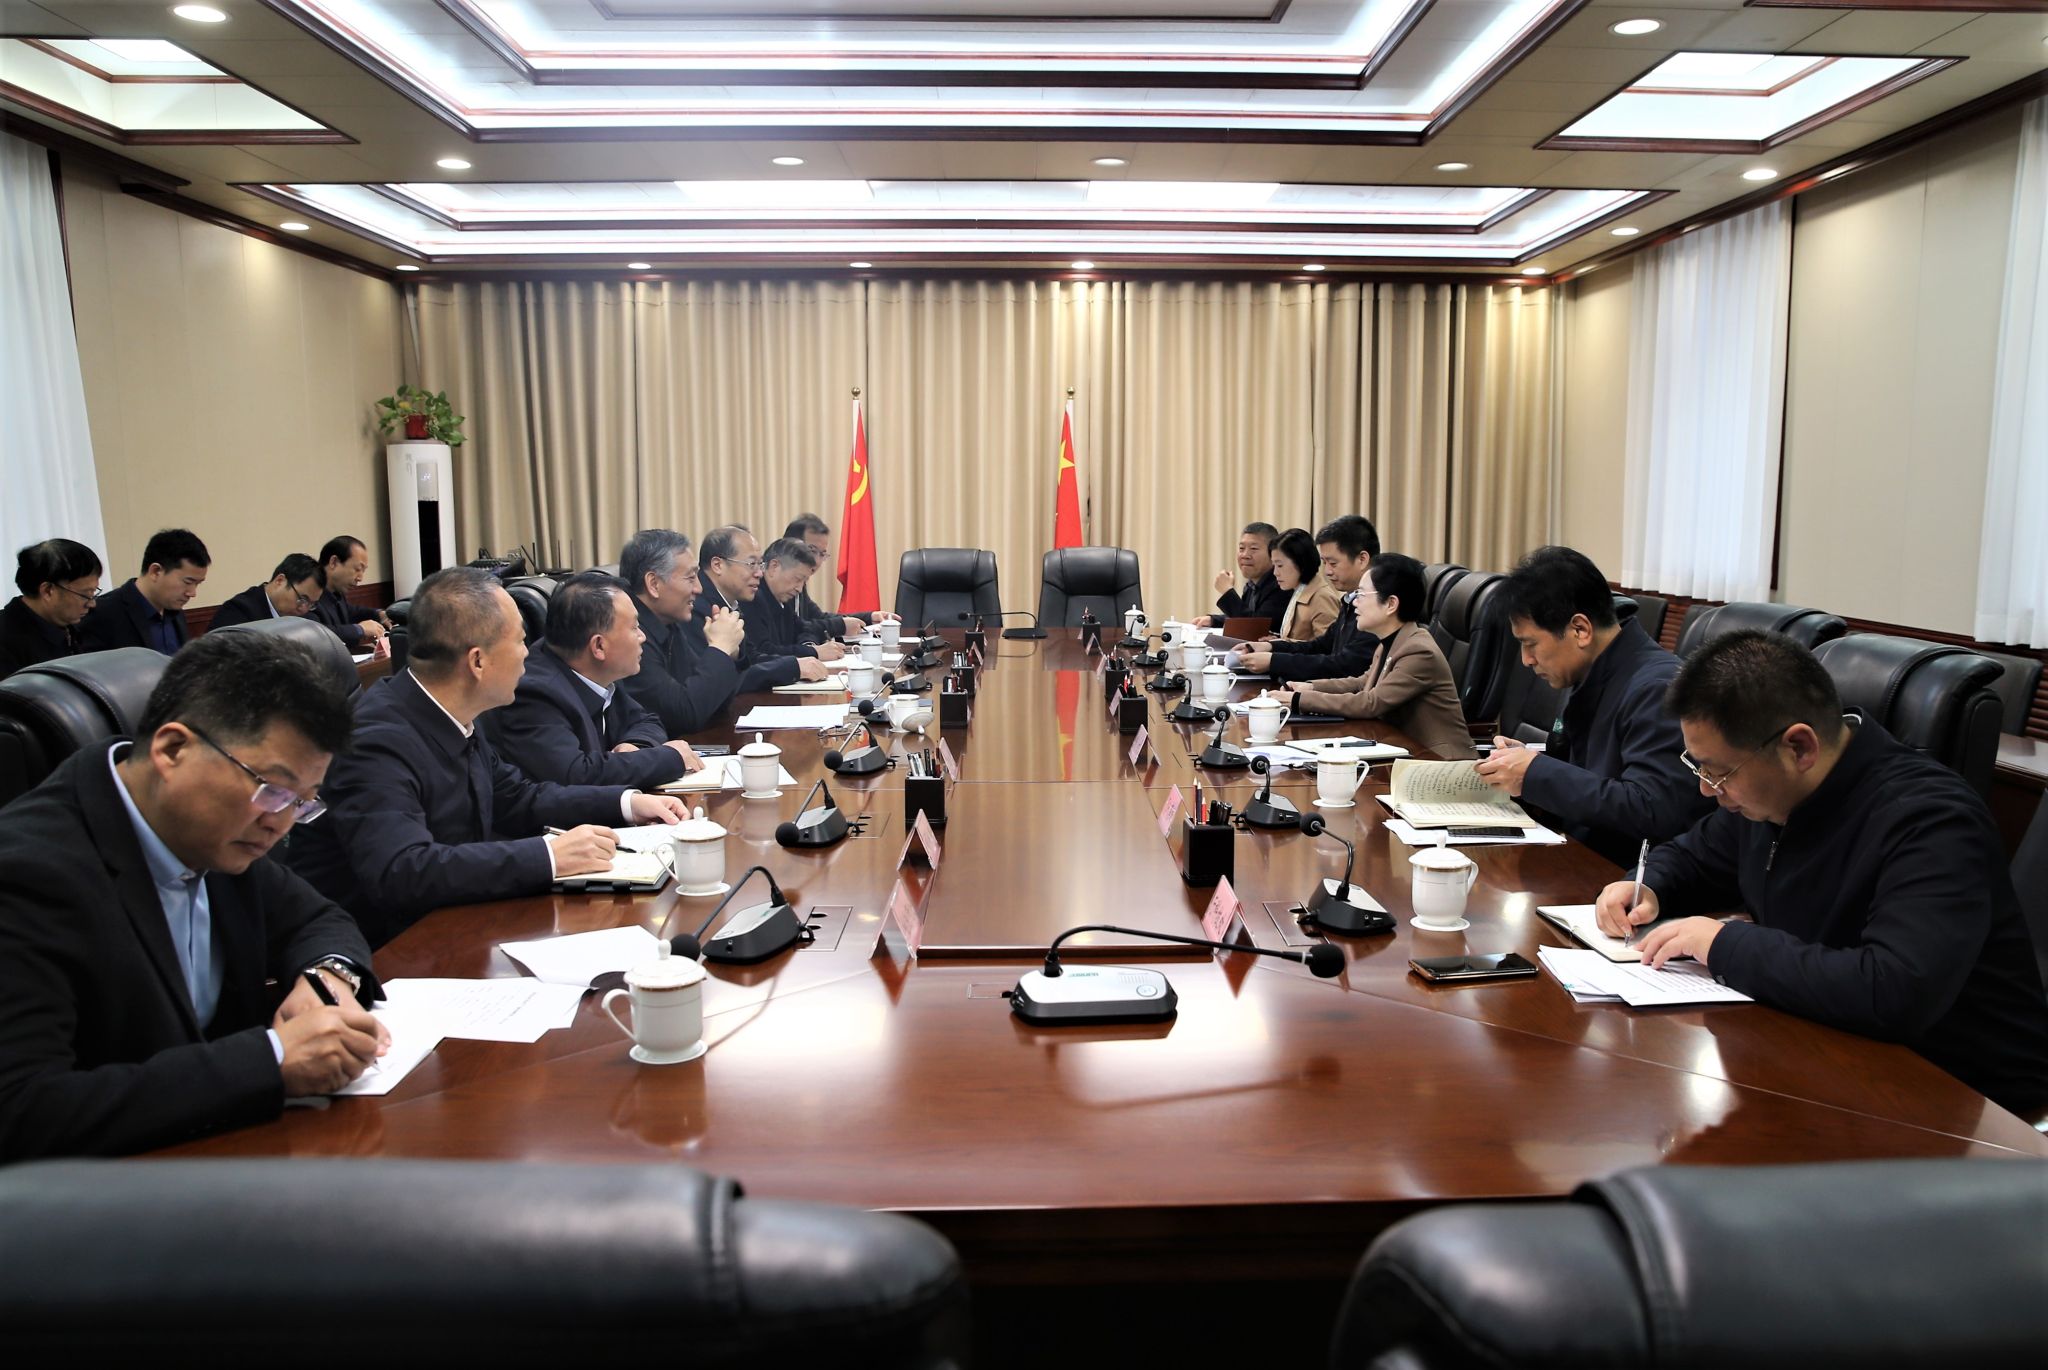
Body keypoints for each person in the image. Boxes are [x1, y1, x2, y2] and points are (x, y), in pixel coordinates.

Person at [1593, 630, 2048, 1116]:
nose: (1708, 790)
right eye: (1699, 769)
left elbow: (1894, 990)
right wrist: (1648, 883)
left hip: (1962, 1098)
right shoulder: (1772, 793)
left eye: (1719, 773)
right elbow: (1699, 854)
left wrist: (1723, 943)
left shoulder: (1931, 820)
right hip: (1825, 1047)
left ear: (1799, 748)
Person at [0, 631, 388, 1160]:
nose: (280, 823)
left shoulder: (216, 832)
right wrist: (271, 1059)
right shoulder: (28, 874)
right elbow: (22, 1109)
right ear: (173, 749)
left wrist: (328, 980)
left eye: (302, 802)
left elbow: (317, 918)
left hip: (233, 1154)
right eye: (272, 790)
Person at [286, 567, 690, 947]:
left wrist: (627, 804)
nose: (528, 655)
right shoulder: (377, 738)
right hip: (391, 948)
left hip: (458, 919)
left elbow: (518, 797)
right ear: (477, 661)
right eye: (519, 641)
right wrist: (549, 856)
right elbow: (403, 869)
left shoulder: (451, 712)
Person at [1476, 546, 1709, 865]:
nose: (1526, 660)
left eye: (1530, 644)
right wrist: (1528, 760)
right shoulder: (1593, 671)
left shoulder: (1657, 688)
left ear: (1580, 630)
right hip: (1577, 852)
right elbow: (1592, 772)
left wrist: (1537, 773)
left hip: (1625, 875)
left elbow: (1653, 809)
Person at [484, 571, 703, 789]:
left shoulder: (596, 671)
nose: (642, 637)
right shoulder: (535, 694)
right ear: (598, 646)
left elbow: (647, 721)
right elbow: (577, 776)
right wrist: (669, 758)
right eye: (634, 627)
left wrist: (635, 746)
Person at [1275, 553, 1473, 760]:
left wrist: (1300, 700)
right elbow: (1362, 683)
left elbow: (1371, 702)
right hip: (1406, 751)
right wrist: (1311, 687)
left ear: (1391, 604)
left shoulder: (1419, 651)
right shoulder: (1390, 641)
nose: (1354, 602)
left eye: (1361, 594)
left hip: (1440, 763)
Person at [618, 529, 745, 735]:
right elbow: (684, 715)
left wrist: (728, 652)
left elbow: (715, 702)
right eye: (690, 577)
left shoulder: (669, 624)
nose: (699, 588)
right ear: (653, 584)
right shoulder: (631, 634)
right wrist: (720, 648)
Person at [1234, 514, 1379, 683]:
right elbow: (1321, 645)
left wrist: (1274, 661)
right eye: (1325, 563)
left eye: (1333, 563)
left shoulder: (1375, 605)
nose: (1327, 572)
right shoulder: (1350, 599)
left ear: (1362, 559)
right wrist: (1271, 646)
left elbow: (1344, 665)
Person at [696, 525, 831, 691]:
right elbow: (721, 681)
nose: (760, 573)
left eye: (760, 564)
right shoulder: (697, 607)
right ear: (718, 565)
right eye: (751, 563)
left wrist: (796, 664)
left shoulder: (730, 604)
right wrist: (793, 667)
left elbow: (751, 658)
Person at [78, 528, 209, 655]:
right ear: (155, 571)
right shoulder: (103, 613)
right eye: (188, 582)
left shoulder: (175, 611)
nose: (192, 593)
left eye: (198, 584)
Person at [1, 538, 102, 680]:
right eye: (85, 594)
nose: (92, 604)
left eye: (94, 593)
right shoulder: (7, 640)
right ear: (48, 591)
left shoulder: (76, 626)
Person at [785, 513, 898, 634]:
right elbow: (793, 630)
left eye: (822, 554)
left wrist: (869, 617)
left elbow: (818, 617)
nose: (817, 561)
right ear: (791, 546)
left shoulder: (799, 584)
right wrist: (840, 626)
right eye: (812, 550)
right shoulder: (779, 585)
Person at [750, 538, 849, 658]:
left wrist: (811, 645)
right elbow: (763, 652)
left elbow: (803, 629)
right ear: (774, 567)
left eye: (804, 582)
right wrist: (814, 652)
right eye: (797, 579)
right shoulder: (751, 597)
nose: (799, 589)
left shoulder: (783, 598)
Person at [311, 535, 390, 650]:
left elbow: (350, 611)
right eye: (357, 569)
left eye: (363, 571)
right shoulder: (309, 596)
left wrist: (379, 614)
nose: (360, 578)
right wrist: (359, 629)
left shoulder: (336, 591)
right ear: (334, 562)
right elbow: (317, 634)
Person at [1264, 527, 1342, 644]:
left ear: (1301, 562)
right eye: (1274, 566)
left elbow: (1327, 647)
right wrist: (1277, 641)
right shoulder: (1300, 589)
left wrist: (1282, 644)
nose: (1275, 572)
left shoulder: (1321, 597)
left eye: (1280, 565)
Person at [207, 553, 326, 629]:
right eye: (303, 599)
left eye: (311, 604)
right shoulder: (238, 613)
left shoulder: (303, 619)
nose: (304, 609)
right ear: (280, 581)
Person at [1204, 522, 1285, 628]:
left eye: (1253, 549)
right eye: (1241, 548)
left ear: (1273, 553)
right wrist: (1214, 620)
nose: (1245, 555)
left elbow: (1256, 628)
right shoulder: (1252, 584)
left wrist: (1227, 592)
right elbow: (1247, 615)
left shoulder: (1281, 584)